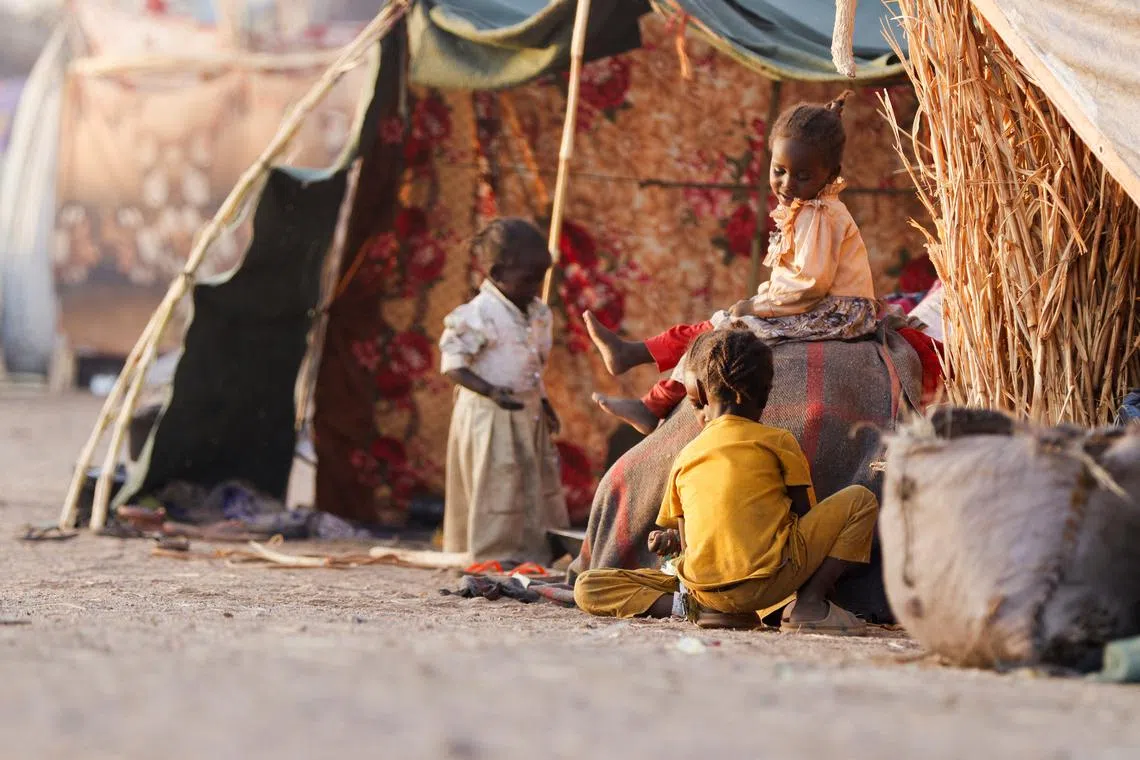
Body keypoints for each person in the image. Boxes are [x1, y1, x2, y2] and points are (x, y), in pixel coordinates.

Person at [586, 92, 877, 434]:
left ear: (830, 175)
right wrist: (759, 303)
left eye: (802, 176)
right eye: (779, 171)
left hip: (838, 312)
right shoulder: (804, 210)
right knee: (721, 320)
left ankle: (651, 394)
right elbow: (796, 279)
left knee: (732, 329)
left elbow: (811, 284)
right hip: (817, 303)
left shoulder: (820, 214)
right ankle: (636, 360)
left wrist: (758, 306)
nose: (787, 184)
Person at [574, 329, 878, 632]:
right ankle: (810, 603)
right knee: (861, 499)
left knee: (588, 585)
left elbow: (688, 545)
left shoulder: (685, 456)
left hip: (705, 591)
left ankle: (694, 609)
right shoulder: (779, 441)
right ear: (766, 393)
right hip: (770, 583)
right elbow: (804, 518)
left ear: (702, 395)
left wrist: (671, 542)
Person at [439, 217, 569, 563]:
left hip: (526, 410)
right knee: (496, 483)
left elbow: (532, 366)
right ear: (496, 273)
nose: (536, 287)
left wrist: (545, 404)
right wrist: (491, 391)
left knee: (530, 482)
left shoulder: (539, 313)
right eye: (528, 279)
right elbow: (453, 363)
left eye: (539, 278)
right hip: (488, 415)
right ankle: (492, 554)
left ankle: (531, 552)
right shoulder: (477, 314)